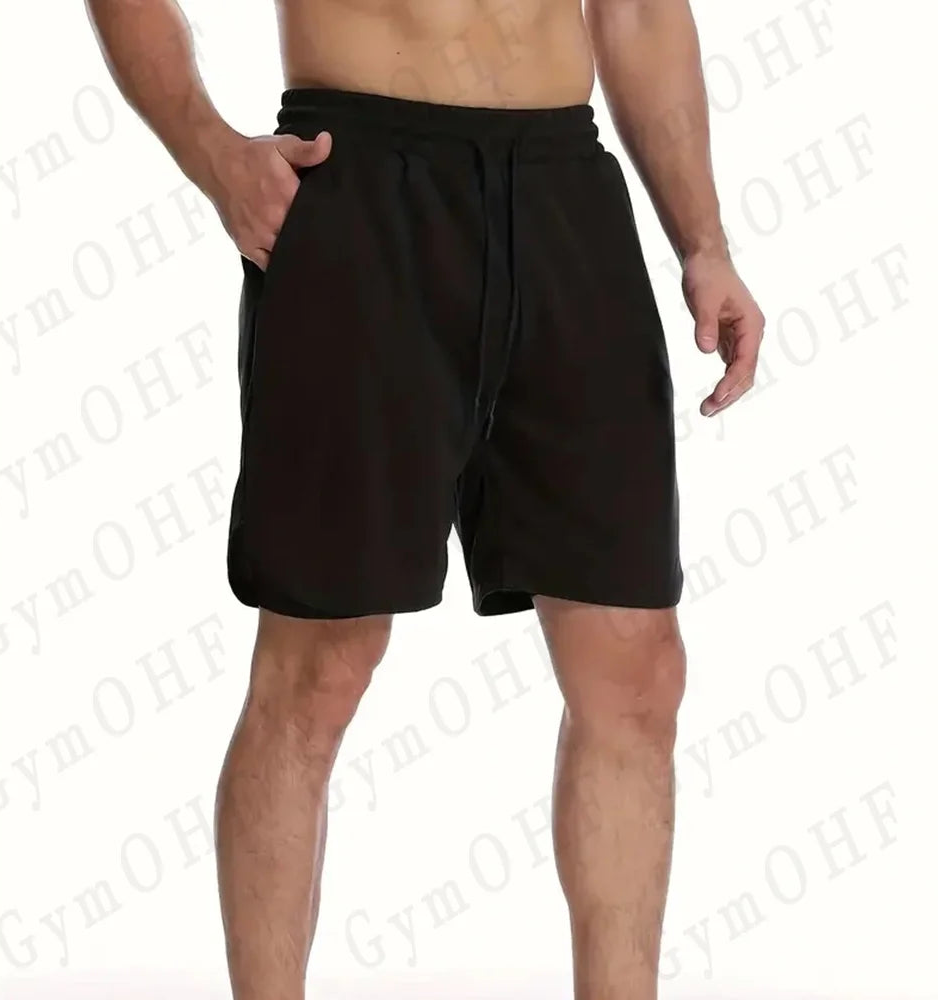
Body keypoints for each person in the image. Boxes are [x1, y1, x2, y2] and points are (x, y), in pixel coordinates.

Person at [86, 0, 764, 997]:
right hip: (362, 179)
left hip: (564, 189)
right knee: (318, 666)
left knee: (635, 669)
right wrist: (211, 152)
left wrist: (703, 240)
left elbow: (637, 10)